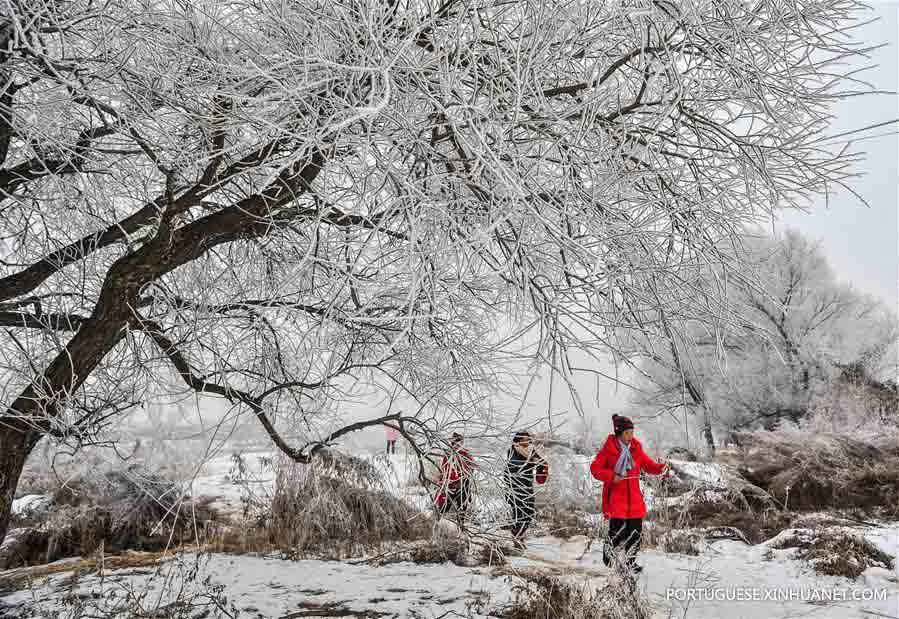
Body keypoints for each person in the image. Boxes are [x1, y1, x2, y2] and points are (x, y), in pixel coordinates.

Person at [590, 414, 669, 574]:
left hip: (634, 500)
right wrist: (612, 476)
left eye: (632, 432)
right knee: (617, 534)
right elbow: (595, 469)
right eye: (627, 433)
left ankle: (629, 562)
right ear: (619, 433)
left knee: (635, 534)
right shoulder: (609, 450)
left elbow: (648, 465)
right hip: (616, 499)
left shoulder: (636, 450)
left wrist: (661, 468)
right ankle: (609, 557)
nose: (630, 436)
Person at [504, 431, 549, 549]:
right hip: (515, 488)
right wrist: (530, 463)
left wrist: (542, 465)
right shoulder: (512, 451)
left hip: (527, 487)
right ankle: (518, 539)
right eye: (525, 439)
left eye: (528, 439)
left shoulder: (531, 450)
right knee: (519, 514)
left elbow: (541, 461)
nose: (528, 441)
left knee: (529, 513)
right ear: (518, 441)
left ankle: (517, 534)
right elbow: (513, 465)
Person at [434, 433, 476, 530]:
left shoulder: (466, 454)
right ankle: (437, 525)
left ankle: (460, 527)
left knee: (462, 506)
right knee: (443, 507)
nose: (458, 445)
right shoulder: (448, 455)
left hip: (463, 484)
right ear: (452, 444)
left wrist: (464, 473)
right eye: (455, 443)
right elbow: (444, 470)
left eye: (460, 442)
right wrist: (454, 477)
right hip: (450, 484)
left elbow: (473, 467)